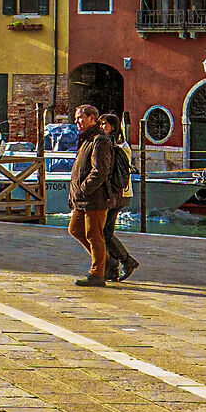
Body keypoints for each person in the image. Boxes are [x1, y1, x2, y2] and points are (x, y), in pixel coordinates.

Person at [66, 104, 118, 287]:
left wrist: (84, 189)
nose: (77, 121)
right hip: (83, 198)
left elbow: (100, 170)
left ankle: (97, 274)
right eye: (76, 118)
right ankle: (107, 262)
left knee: (94, 235)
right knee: (75, 229)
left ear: (91, 118)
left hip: (95, 197)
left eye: (80, 117)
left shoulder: (99, 140)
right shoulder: (87, 139)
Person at [101, 112, 140, 279]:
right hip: (118, 193)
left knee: (104, 231)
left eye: (105, 124)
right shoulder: (119, 145)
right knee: (106, 231)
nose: (102, 127)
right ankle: (113, 267)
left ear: (113, 127)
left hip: (118, 194)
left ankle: (126, 261)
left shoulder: (119, 147)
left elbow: (117, 174)